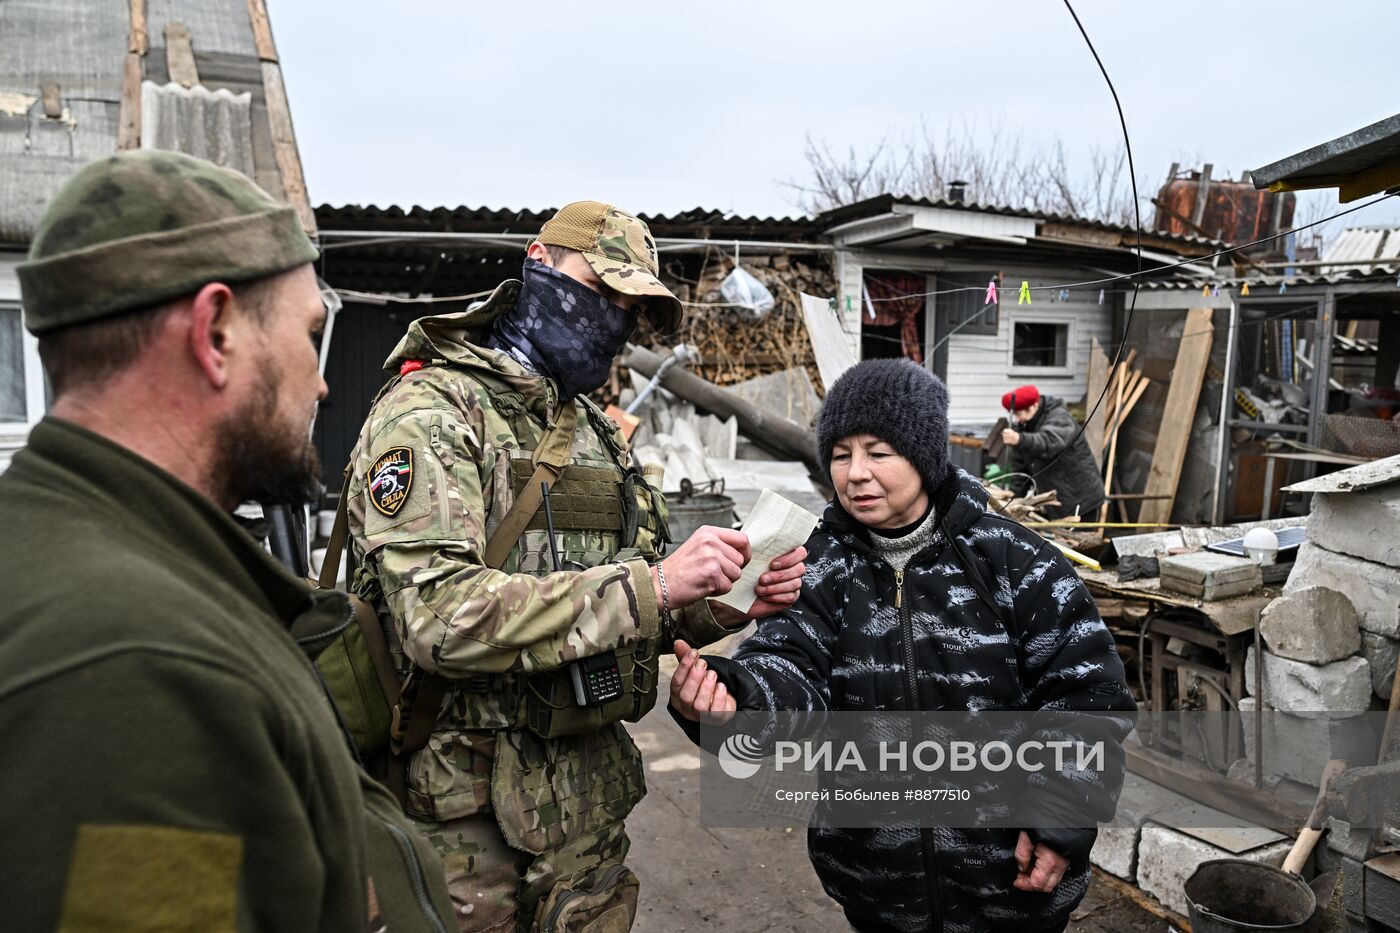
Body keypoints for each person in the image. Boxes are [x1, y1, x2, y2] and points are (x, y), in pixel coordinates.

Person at [0, 151, 455, 931]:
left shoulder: (121, 558)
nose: (321, 383)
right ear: (215, 332)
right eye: (311, 333)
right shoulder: (138, 666)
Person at [345, 200, 807, 931]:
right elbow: (437, 618)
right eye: (597, 288)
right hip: (465, 831)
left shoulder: (596, 433)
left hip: (584, 823)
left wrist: (722, 602)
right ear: (537, 261)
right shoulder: (434, 410)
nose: (611, 315)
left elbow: (631, 609)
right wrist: (652, 586)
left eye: (630, 305)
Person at [670, 359, 1136, 933]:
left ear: (922, 453)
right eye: (840, 455)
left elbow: (1087, 698)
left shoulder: (1014, 562)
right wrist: (734, 697)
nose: (856, 474)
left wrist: (1061, 812)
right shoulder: (818, 566)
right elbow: (790, 665)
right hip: (878, 888)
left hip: (1009, 884)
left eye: (878, 452)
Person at [1000, 384, 1105, 519]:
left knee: (1082, 538)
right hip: (1056, 501)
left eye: (1019, 414)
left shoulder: (1059, 417)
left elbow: (1048, 443)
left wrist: (1020, 439)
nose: (1017, 419)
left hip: (1081, 499)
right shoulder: (1023, 428)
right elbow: (1020, 470)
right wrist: (1013, 500)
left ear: (1033, 406)